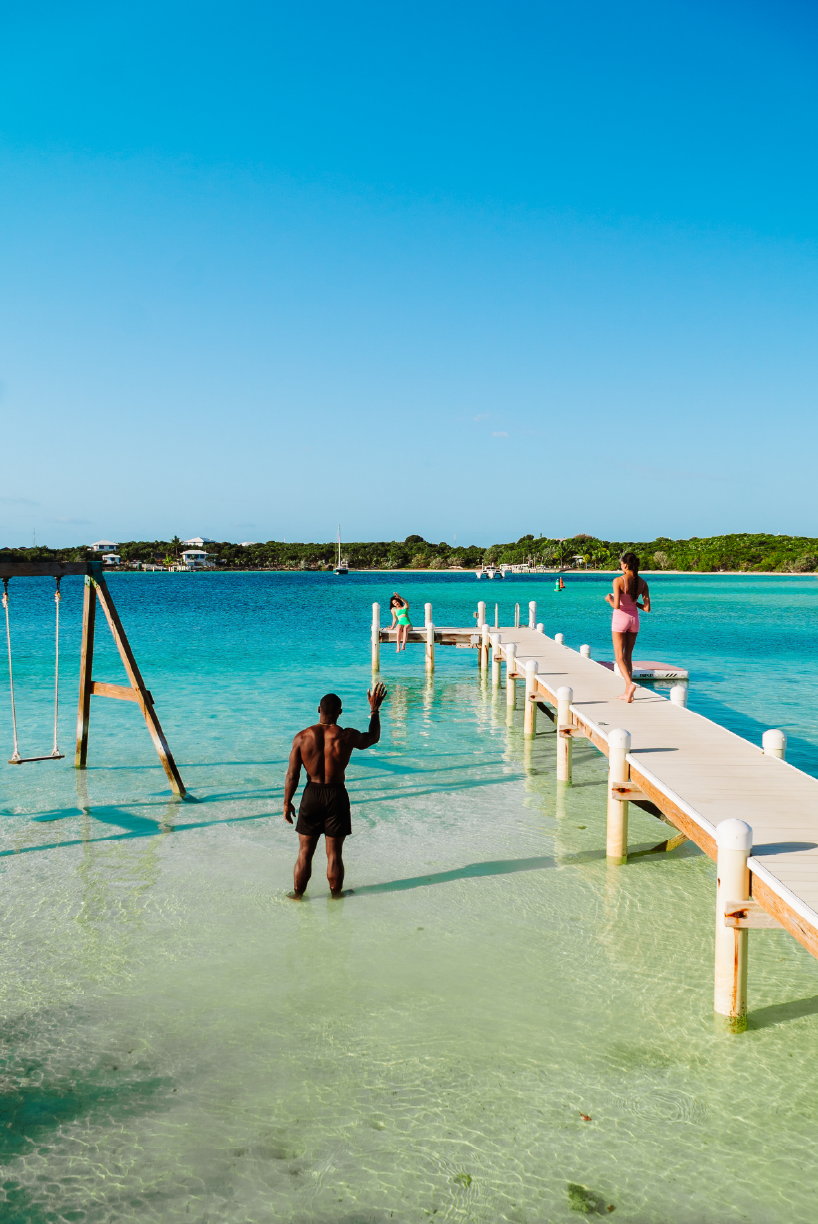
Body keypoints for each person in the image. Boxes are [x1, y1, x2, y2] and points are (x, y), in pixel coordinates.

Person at [283, 682, 387, 898]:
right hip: (336, 795)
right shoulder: (346, 735)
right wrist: (374, 710)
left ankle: (297, 896)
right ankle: (336, 897)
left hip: (311, 794)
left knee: (304, 853)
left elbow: (293, 775)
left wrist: (286, 802)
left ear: (319, 710)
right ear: (340, 712)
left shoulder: (301, 737)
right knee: (334, 854)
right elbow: (373, 737)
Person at [605, 552, 650, 703]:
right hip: (634, 620)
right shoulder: (643, 583)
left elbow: (617, 606)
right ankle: (628, 693)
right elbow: (647, 608)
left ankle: (630, 685)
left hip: (620, 620)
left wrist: (609, 599)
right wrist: (633, 603)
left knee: (619, 658)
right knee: (628, 656)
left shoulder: (618, 580)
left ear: (625, 565)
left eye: (621, 563)